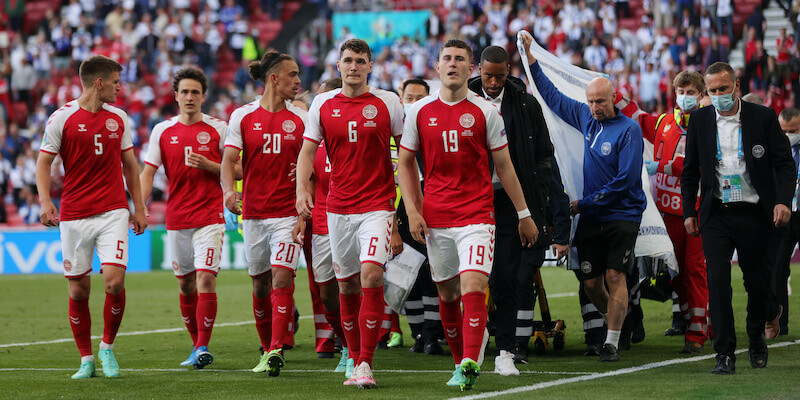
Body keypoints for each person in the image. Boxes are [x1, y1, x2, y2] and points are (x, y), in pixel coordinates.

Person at [397, 39, 538, 391]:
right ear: (437, 66)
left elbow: (504, 166)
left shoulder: (486, 112)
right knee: (447, 295)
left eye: (460, 59)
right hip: (436, 217)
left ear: (470, 68)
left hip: (477, 215)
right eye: (447, 58)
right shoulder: (418, 112)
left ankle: (472, 360)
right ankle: (460, 361)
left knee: (473, 285)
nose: (453, 64)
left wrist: (523, 213)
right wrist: (413, 211)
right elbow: (405, 164)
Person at [521, 31, 646, 362]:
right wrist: (531, 59)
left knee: (615, 276)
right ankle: (620, 321)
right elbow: (551, 95)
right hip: (592, 216)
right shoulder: (586, 120)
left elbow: (626, 181)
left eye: (601, 101)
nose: (595, 107)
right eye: (591, 102)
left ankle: (612, 341)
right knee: (591, 283)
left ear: (614, 97)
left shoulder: (629, 130)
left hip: (622, 214)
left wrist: (581, 205)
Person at [295, 38, 404, 389]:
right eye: (348, 60)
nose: (354, 66)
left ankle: (366, 364)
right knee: (347, 287)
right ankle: (354, 356)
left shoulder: (389, 102)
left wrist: (408, 208)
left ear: (370, 66)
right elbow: (307, 152)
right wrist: (301, 191)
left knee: (371, 276)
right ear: (338, 66)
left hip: (378, 205)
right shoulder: (323, 104)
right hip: (338, 209)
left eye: (360, 61)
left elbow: (406, 154)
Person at [35, 55, 148, 379]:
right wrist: (45, 202)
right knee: (78, 292)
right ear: (99, 83)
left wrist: (137, 207)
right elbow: (44, 163)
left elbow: (130, 165)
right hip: (74, 215)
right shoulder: (62, 118)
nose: (119, 88)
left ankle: (107, 348)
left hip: (113, 211)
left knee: (114, 282)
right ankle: (86, 358)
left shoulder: (119, 118)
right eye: (115, 82)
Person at [681, 62, 794, 374]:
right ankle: (725, 353)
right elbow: (690, 172)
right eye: (713, 91)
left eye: (723, 89)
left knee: (757, 283)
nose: (718, 96)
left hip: (756, 213)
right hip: (716, 213)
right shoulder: (700, 120)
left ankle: (756, 336)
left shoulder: (763, 117)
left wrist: (783, 201)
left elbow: (785, 165)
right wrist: (689, 211)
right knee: (717, 282)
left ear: (736, 86)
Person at [466, 45, 554, 374]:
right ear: (479, 71)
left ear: (508, 71)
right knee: (467, 280)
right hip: (469, 199)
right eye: (488, 75)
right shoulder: (463, 101)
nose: (493, 81)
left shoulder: (525, 104)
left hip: (508, 201)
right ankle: (470, 346)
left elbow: (544, 155)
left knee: (506, 278)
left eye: (500, 76)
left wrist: (533, 202)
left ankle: (505, 349)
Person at [140, 67, 233, 369]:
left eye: (195, 92)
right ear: (176, 96)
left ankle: (203, 345)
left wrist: (210, 164)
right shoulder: (162, 131)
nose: (190, 97)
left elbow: (242, 169)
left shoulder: (219, 128)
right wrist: (139, 206)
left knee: (206, 278)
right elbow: (148, 172)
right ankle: (196, 345)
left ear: (204, 96)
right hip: (177, 217)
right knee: (185, 285)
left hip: (210, 215)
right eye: (185, 92)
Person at [220, 52, 306, 377]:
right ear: (274, 78)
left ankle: (275, 350)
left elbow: (311, 164)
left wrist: (303, 207)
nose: (298, 81)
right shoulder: (243, 116)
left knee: (282, 278)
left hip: (287, 213)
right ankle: (265, 346)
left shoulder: (302, 119)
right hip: (253, 215)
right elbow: (229, 160)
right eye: (292, 75)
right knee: (259, 286)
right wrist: (229, 191)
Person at [617, 71, 711, 353]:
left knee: (694, 271)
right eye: (681, 91)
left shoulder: (708, 124)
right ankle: (694, 319)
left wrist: (664, 167)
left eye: (692, 91)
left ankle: (696, 334)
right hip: (667, 214)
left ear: (701, 93)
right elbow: (636, 117)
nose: (685, 96)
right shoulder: (664, 122)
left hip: (695, 210)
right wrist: (616, 97)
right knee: (676, 273)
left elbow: (701, 163)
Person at [293, 76, 352, 373]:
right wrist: (302, 219)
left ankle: (356, 349)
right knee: (326, 292)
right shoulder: (311, 148)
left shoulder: (356, 137)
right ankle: (342, 339)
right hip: (322, 224)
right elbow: (308, 186)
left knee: (355, 287)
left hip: (355, 220)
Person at [396, 78, 446, 355]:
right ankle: (417, 333)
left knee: (430, 270)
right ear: (401, 99)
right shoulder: (393, 128)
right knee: (407, 271)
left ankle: (432, 333)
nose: (413, 102)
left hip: (429, 196)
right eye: (409, 97)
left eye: (419, 97)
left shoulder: (432, 124)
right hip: (400, 203)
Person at [769, 107, 800, 338]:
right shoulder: (775, 150)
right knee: (778, 269)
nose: (789, 135)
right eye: (785, 130)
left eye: (794, 130)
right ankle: (781, 324)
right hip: (785, 215)